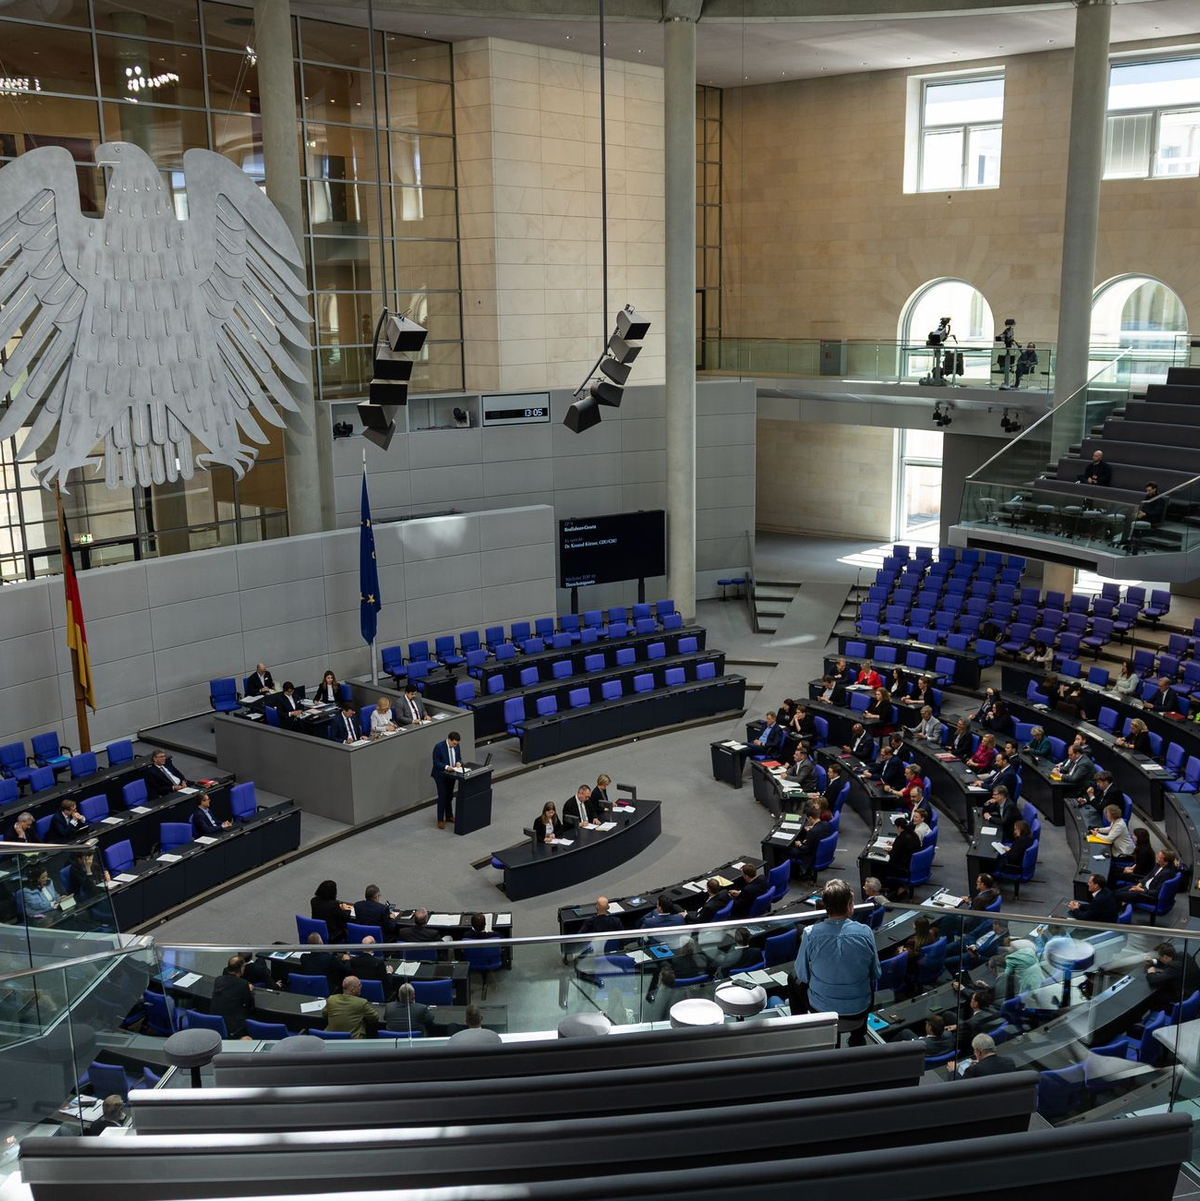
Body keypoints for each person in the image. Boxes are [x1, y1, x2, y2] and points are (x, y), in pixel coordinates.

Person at [792, 879, 881, 1045]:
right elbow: (876, 972)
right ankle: (857, 1037)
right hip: (859, 1010)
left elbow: (802, 975)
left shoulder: (810, 934)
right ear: (849, 905)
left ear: (825, 906)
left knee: (793, 977)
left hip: (822, 1008)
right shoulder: (865, 932)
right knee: (867, 980)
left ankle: (801, 1031)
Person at [210, 954, 255, 1038]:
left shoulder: (218, 980)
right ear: (241, 968)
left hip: (215, 1022)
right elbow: (250, 1005)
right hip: (233, 1027)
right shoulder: (243, 984)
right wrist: (249, 990)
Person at [790, 801, 832, 881]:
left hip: (811, 857)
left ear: (811, 818)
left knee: (789, 850)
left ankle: (794, 875)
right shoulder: (826, 824)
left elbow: (806, 851)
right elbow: (820, 835)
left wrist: (799, 845)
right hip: (822, 853)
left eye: (808, 819)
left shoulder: (812, 832)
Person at [431, 730, 462, 828]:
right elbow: (436, 762)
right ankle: (440, 820)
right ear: (449, 740)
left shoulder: (456, 746)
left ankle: (449, 816)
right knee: (442, 796)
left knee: (449, 796)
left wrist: (458, 762)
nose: (455, 745)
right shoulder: (439, 747)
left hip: (452, 774)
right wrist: (446, 767)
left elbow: (459, 757)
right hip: (440, 775)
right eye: (454, 743)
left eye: (456, 744)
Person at [886, 817, 921, 896]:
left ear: (899, 827)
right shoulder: (914, 834)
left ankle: (893, 888)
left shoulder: (901, 838)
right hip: (912, 863)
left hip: (904, 867)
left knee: (881, 865)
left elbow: (893, 856)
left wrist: (889, 851)